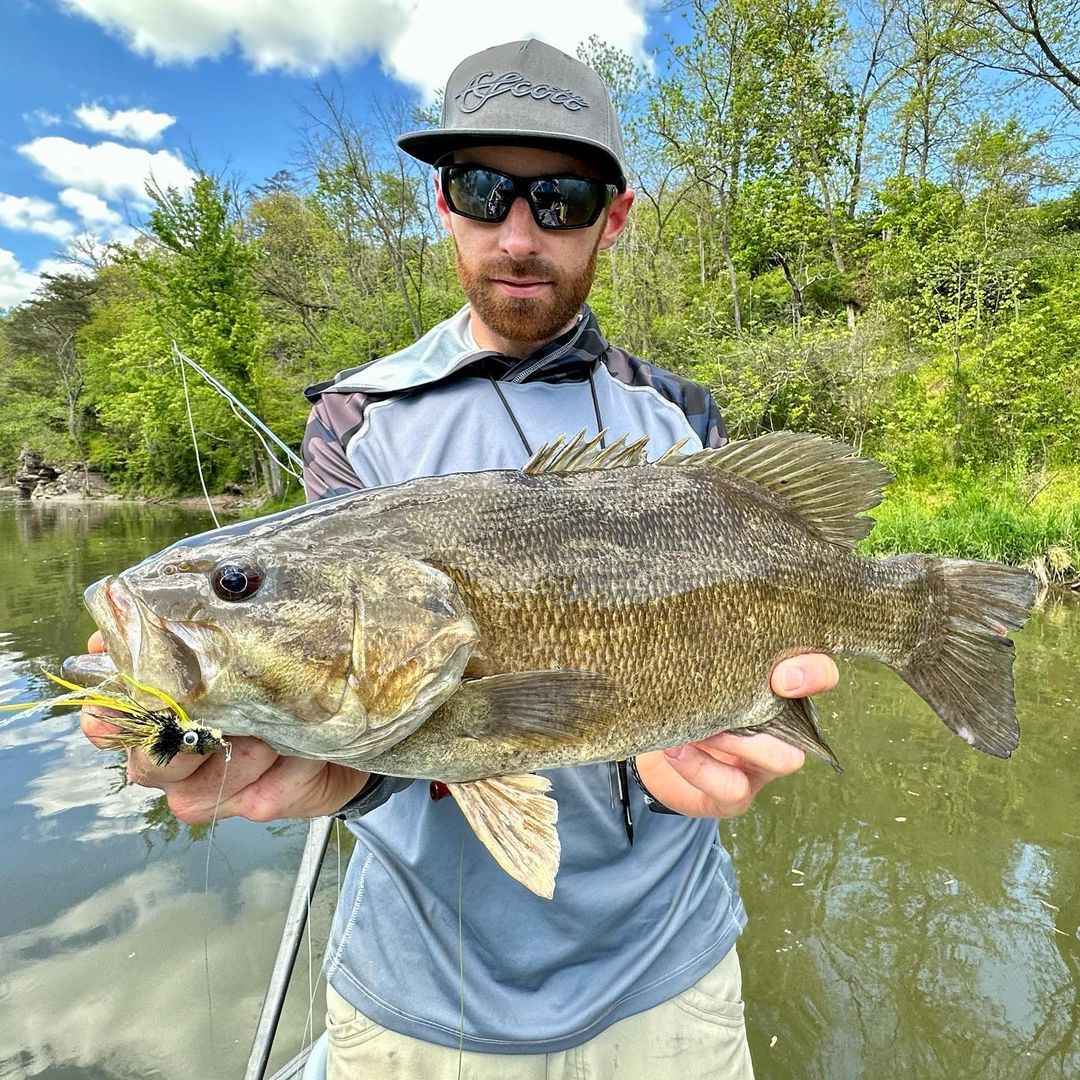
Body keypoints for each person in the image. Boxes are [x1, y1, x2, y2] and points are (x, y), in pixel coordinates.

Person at [82, 39, 839, 1079]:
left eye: (562, 199)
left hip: (671, 971)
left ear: (615, 217)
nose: (519, 233)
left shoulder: (680, 417)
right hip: (423, 994)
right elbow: (369, 712)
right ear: (443, 203)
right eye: (484, 190)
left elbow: (717, 655)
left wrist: (687, 767)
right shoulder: (356, 422)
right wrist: (317, 770)